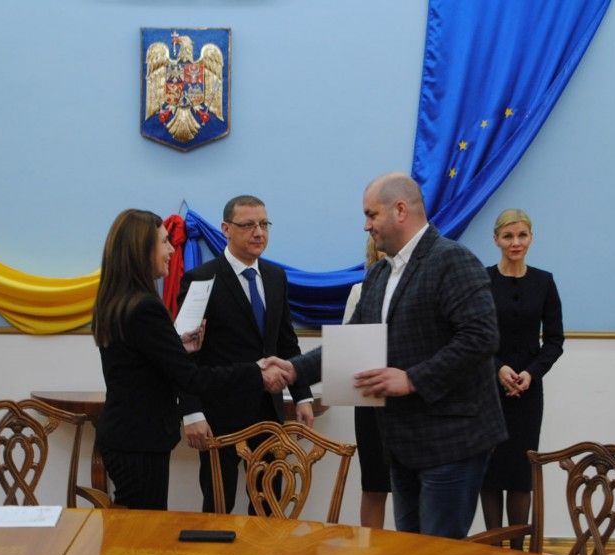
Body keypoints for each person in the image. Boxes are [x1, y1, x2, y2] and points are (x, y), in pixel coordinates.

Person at [285, 172, 506, 539]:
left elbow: (481, 337)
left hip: (452, 442)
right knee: (408, 554)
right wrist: (293, 371)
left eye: (371, 214)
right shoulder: (379, 275)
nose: (366, 225)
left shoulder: (453, 259)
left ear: (400, 210)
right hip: (403, 443)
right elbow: (351, 342)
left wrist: (412, 379)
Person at [92, 209, 289, 510]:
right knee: (142, 531)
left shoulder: (119, 301)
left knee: (134, 525)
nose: (172, 250)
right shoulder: (145, 308)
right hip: (140, 440)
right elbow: (192, 378)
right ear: (141, 249)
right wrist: (255, 371)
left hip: (127, 435)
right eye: (164, 242)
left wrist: (179, 349)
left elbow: (146, 362)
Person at [178, 195, 314, 514]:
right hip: (220, 414)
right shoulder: (202, 278)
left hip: (269, 413)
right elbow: (183, 356)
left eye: (264, 224)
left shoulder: (276, 277)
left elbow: (287, 343)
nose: (259, 232)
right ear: (226, 229)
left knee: (269, 507)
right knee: (218, 507)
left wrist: (303, 396)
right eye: (249, 225)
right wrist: (192, 412)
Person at [480, 209, 564, 549]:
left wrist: (531, 373)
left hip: (528, 393)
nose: (515, 242)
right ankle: (493, 547)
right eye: (508, 236)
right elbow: (474, 336)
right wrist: (498, 368)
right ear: (496, 240)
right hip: (488, 390)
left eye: (522, 235)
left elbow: (555, 340)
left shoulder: (544, 282)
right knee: (489, 472)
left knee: (520, 472)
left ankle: (517, 551)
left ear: (531, 238)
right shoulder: (483, 280)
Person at [343, 236, 392, 528]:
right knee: (374, 485)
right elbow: (348, 347)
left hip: (411, 400)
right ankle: (370, 550)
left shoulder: (425, 286)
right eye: (381, 247)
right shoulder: (359, 291)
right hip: (371, 400)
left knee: (416, 488)